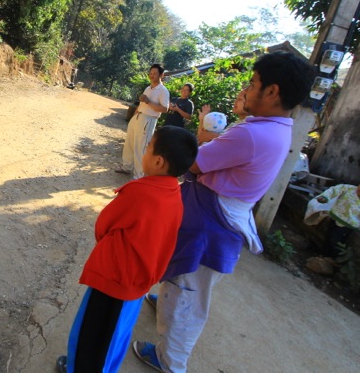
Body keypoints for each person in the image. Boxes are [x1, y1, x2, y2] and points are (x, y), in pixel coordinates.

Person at [132, 51, 315, 373]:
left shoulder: (251, 132)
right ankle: (168, 297)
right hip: (217, 212)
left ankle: (170, 361)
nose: (247, 88)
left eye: (254, 83)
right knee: (183, 279)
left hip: (210, 221)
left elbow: (195, 162)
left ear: (272, 91)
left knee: (188, 295)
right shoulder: (275, 127)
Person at [57, 126, 199, 373]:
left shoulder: (139, 191)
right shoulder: (174, 192)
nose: (143, 152)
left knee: (93, 339)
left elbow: (104, 225)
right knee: (115, 339)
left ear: (157, 161)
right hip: (137, 284)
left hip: (114, 282)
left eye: (148, 148)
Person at [304, 175, 360, 257]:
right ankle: (323, 255)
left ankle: (331, 259)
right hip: (334, 218)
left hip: (346, 226)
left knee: (336, 242)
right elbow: (335, 189)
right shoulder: (349, 189)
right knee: (328, 237)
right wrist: (325, 196)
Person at [120, 64, 170, 179]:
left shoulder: (163, 91)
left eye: (155, 73)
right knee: (130, 142)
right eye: (150, 73)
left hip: (148, 119)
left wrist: (148, 102)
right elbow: (142, 103)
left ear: (161, 75)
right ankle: (126, 167)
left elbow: (165, 108)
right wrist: (134, 115)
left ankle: (138, 176)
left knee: (141, 147)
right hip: (139, 116)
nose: (152, 75)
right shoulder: (148, 88)